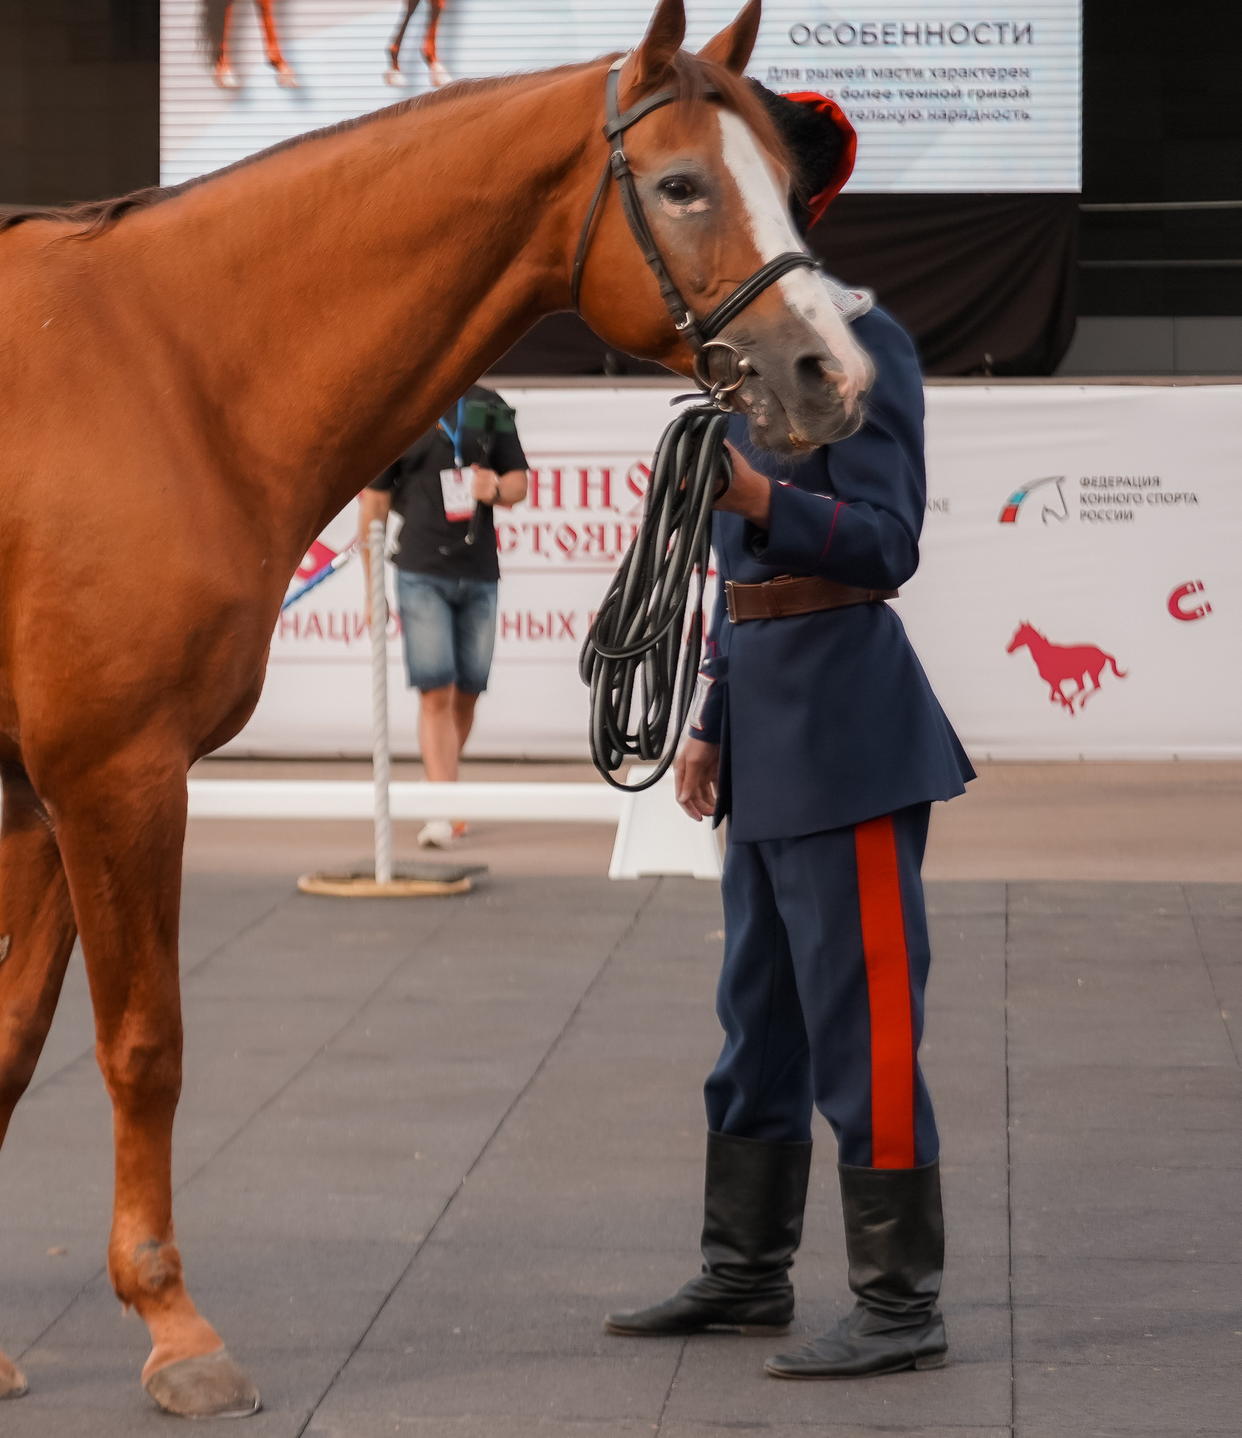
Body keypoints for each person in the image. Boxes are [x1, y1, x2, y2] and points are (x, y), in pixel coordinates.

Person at [606, 87, 973, 1380]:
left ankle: (897, 1298)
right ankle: (746, 1267)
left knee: (863, 1016)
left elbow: (888, 543)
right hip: (761, 721)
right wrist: (707, 717)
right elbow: (725, 567)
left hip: (849, 727)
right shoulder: (735, 356)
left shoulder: (864, 342)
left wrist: (764, 493)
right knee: (754, 1015)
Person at [357, 385, 528, 848]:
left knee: (468, 693)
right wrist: (373, 590)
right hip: (419, 571)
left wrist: (492, 487)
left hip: (479, 571)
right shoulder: (401, 404)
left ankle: (441, 787)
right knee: (436, 692)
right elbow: (372, 503)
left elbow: (519, 483)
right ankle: (443, 807)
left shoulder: (489, 406)